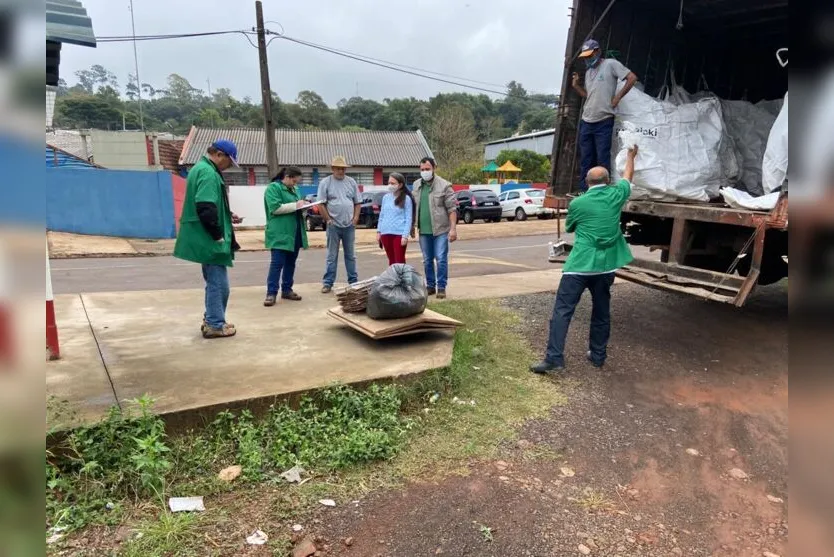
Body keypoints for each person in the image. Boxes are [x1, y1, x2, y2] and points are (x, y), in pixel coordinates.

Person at [530, 145, 639, 374]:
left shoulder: (578, 204)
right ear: (608, 181)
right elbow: (628, 176)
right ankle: (598, 356)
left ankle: (554, 358)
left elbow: (570, 226)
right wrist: (631, 156)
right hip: (605, 267)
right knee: (601, 311)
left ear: (587, 182)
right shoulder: (617, 194)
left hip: (579, 266)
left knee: (562, 311)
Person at [173, 139, 243, 339]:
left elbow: (211, 204)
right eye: (229, 162)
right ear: (220, 155)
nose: (229, 167)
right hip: (209, 238)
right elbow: (205, 207)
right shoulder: (208, 173)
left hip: (205, 236)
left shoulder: (200, 168)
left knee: (214, 281)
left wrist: (227, 215)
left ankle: (212, 318)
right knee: (219, 284)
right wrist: (217, 235)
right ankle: (214, 323)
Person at [572, 39, 637, 192]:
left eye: (590, 55)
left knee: (602, 157)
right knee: (586, 158)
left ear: (597, 51)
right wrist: (576, 86)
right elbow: (589, 96)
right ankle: (584, 190)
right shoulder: (588, 73)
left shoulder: (610, 64)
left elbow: (632, 78)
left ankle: (603, 191)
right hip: (587, 120)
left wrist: (617, 97)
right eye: (585, 57)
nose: (587, 59)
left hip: (604, 120)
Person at [263, 167, 309, 306]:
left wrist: (304, 206)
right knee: (277, 264)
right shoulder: (273, 188)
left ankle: (287, 289)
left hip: (294, 232)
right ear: (287, 177)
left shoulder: (295, 190)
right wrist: (296, 205)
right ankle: (271, 293)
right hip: (280, 233)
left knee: (291, 263)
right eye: (294, 181)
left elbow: (297, 207)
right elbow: (275, 208)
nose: (295, 184)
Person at [412, 157, 457, 299]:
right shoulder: (416, 185)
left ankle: (441, 287)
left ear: (434, 168)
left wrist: (453, 229)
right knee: (427, 259)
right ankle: (430, 286)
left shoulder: (445, 186)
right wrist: (412, 226)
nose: (424, 172)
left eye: (427, 169)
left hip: (441, 230)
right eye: (422, 169)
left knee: (441, 258)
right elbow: (414, 207)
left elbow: (452, 209)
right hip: (424, 231)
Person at [317, 155, 361, 293]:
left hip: (349, 225)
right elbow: (321, 204)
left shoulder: (351, 182)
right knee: (332, 255)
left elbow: (357, 202)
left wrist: (355, 218)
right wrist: (328, 219)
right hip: (333, 225)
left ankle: (353, 282)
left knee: (351, 255)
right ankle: (328, 283)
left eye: (343, 169)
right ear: (333, 169)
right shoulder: (325, 182)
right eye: (338, 169)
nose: (341, 171)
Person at [376, 172, 415, 265]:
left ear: (400, 185)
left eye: (393, 183)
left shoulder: (406, 199)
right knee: (391, 261)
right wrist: (379, 232)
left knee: (399, 261)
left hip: (399, 234)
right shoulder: (385, 198)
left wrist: (405, 236)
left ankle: (402, 279)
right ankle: (394, 279)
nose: (390, 185)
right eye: (389, 183)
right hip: (385, 233)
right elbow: (382, 216)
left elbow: (408, 218)